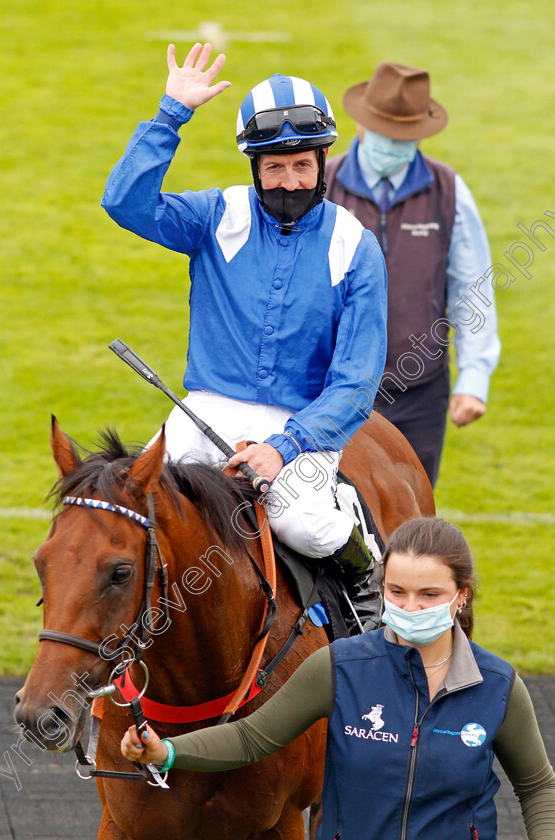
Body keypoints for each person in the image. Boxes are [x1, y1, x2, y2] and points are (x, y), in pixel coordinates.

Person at [101, 43, 389, 629]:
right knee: (133, 512)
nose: (289, 180)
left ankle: (369, 591)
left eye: (302, 166)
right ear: (253, 167)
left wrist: (283, 448)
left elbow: (357, 383)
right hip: (204, 406)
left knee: (305, 524)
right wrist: (170, 114)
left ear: (323, 160)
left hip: (300, 423)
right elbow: (123, 202)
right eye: (274, 168)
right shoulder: (216, 215)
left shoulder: (356, 247)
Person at [121, 517, 555, 840]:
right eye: (397, 592)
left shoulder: (497, 686)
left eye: (430, 595)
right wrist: (168, 751)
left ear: (460, 597)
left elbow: (538, 787)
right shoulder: (339, 666)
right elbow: (252, 738)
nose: (412, 608)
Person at [325, 62, 501, 486]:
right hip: (328, 389)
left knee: (410, 526)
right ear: (361, 125)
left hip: (419, 391)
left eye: (405, 136)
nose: (395, 144)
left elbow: (472, 287)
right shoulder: (321, 186)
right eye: (387, 133)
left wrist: (473, 378)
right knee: (326, 524)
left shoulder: (448, 189)